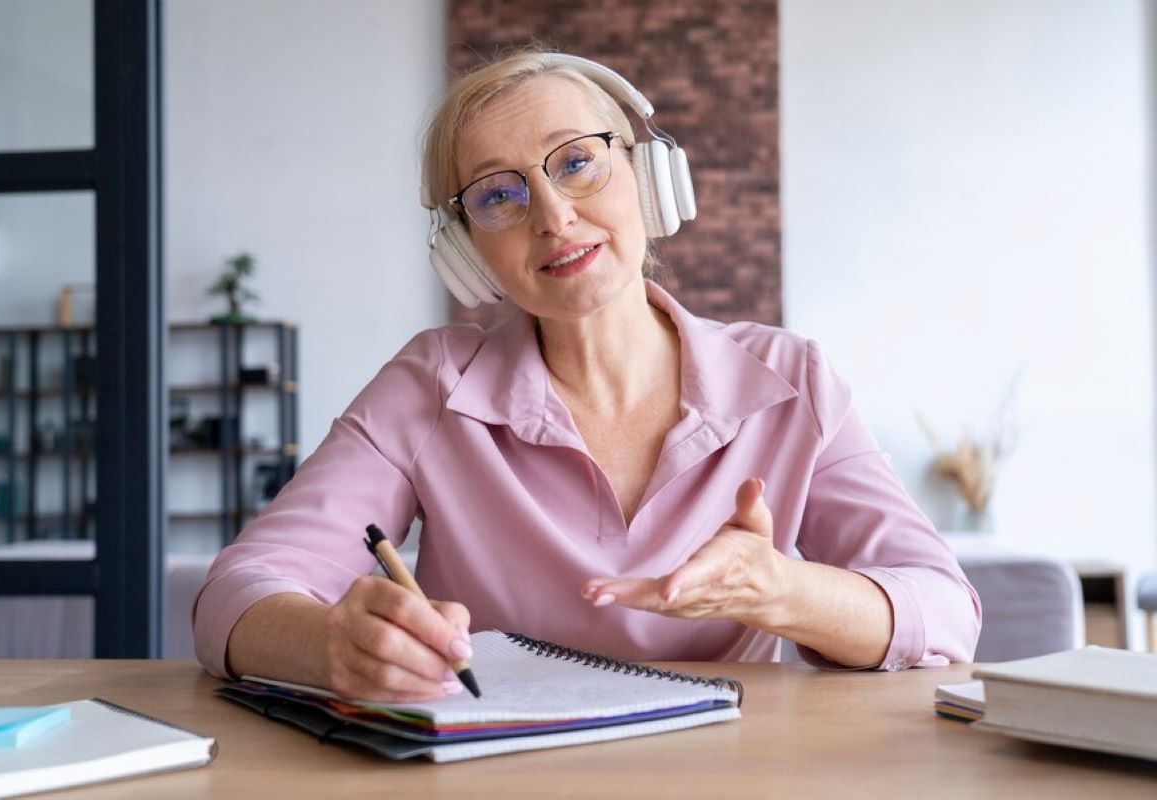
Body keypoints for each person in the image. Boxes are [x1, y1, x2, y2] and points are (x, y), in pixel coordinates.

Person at [193, 50, 981, 703]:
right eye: (499, 196)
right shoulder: (428, 386)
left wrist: (783, 592)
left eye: (576, 162)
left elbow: (945, 612)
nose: (553, 216)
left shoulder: (790, 378)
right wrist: (331, 643)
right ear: (467, 252)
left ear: (648, 177)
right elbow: (237, 592)